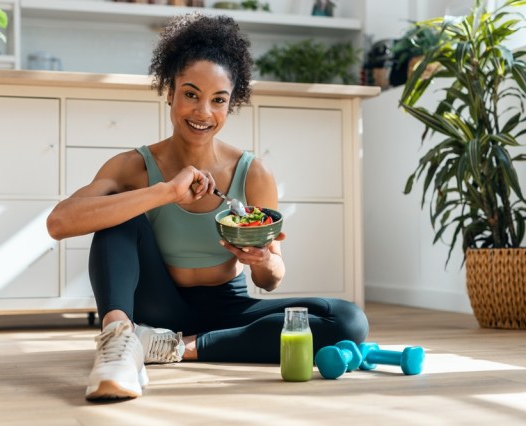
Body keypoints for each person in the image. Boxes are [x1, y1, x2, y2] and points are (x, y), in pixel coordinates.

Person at [46, 12, 368, 401]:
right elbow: (59, 222)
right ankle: (117, 341)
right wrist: (163, 192)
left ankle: (175, 347)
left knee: (348, 320)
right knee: (117, 209)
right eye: (191, 94)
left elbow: (271, 279)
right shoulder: (132, 167)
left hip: (226, 308)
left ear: (231, 104)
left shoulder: (253, 173)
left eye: (218, 100)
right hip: (155, 304)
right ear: (170, 91)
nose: (203, 113)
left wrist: (263, 260)